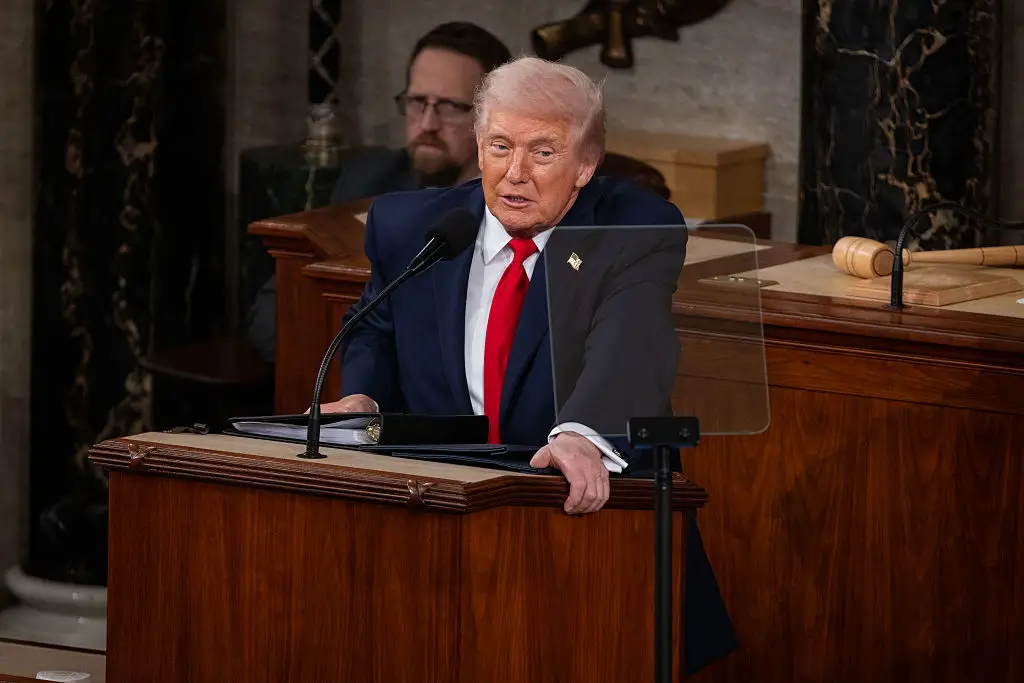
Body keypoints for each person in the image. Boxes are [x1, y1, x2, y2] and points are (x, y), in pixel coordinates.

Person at [317, 56, 737, 673]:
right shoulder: (414, 226)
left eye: (543, 153)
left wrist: (583, 432)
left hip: (584, 517)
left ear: (585, 166)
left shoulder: (633, 227)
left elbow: (632, 339)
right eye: (499, 146)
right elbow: (377, 327)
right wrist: (363, 400)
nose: (514, 174)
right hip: (446, 521)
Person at [245, 22, 512, 361]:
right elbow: (272, 311)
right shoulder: (369, 181)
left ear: (495, 117)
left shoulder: (519, 205)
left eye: (450, 107)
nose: (428, 124)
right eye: (417, 102)